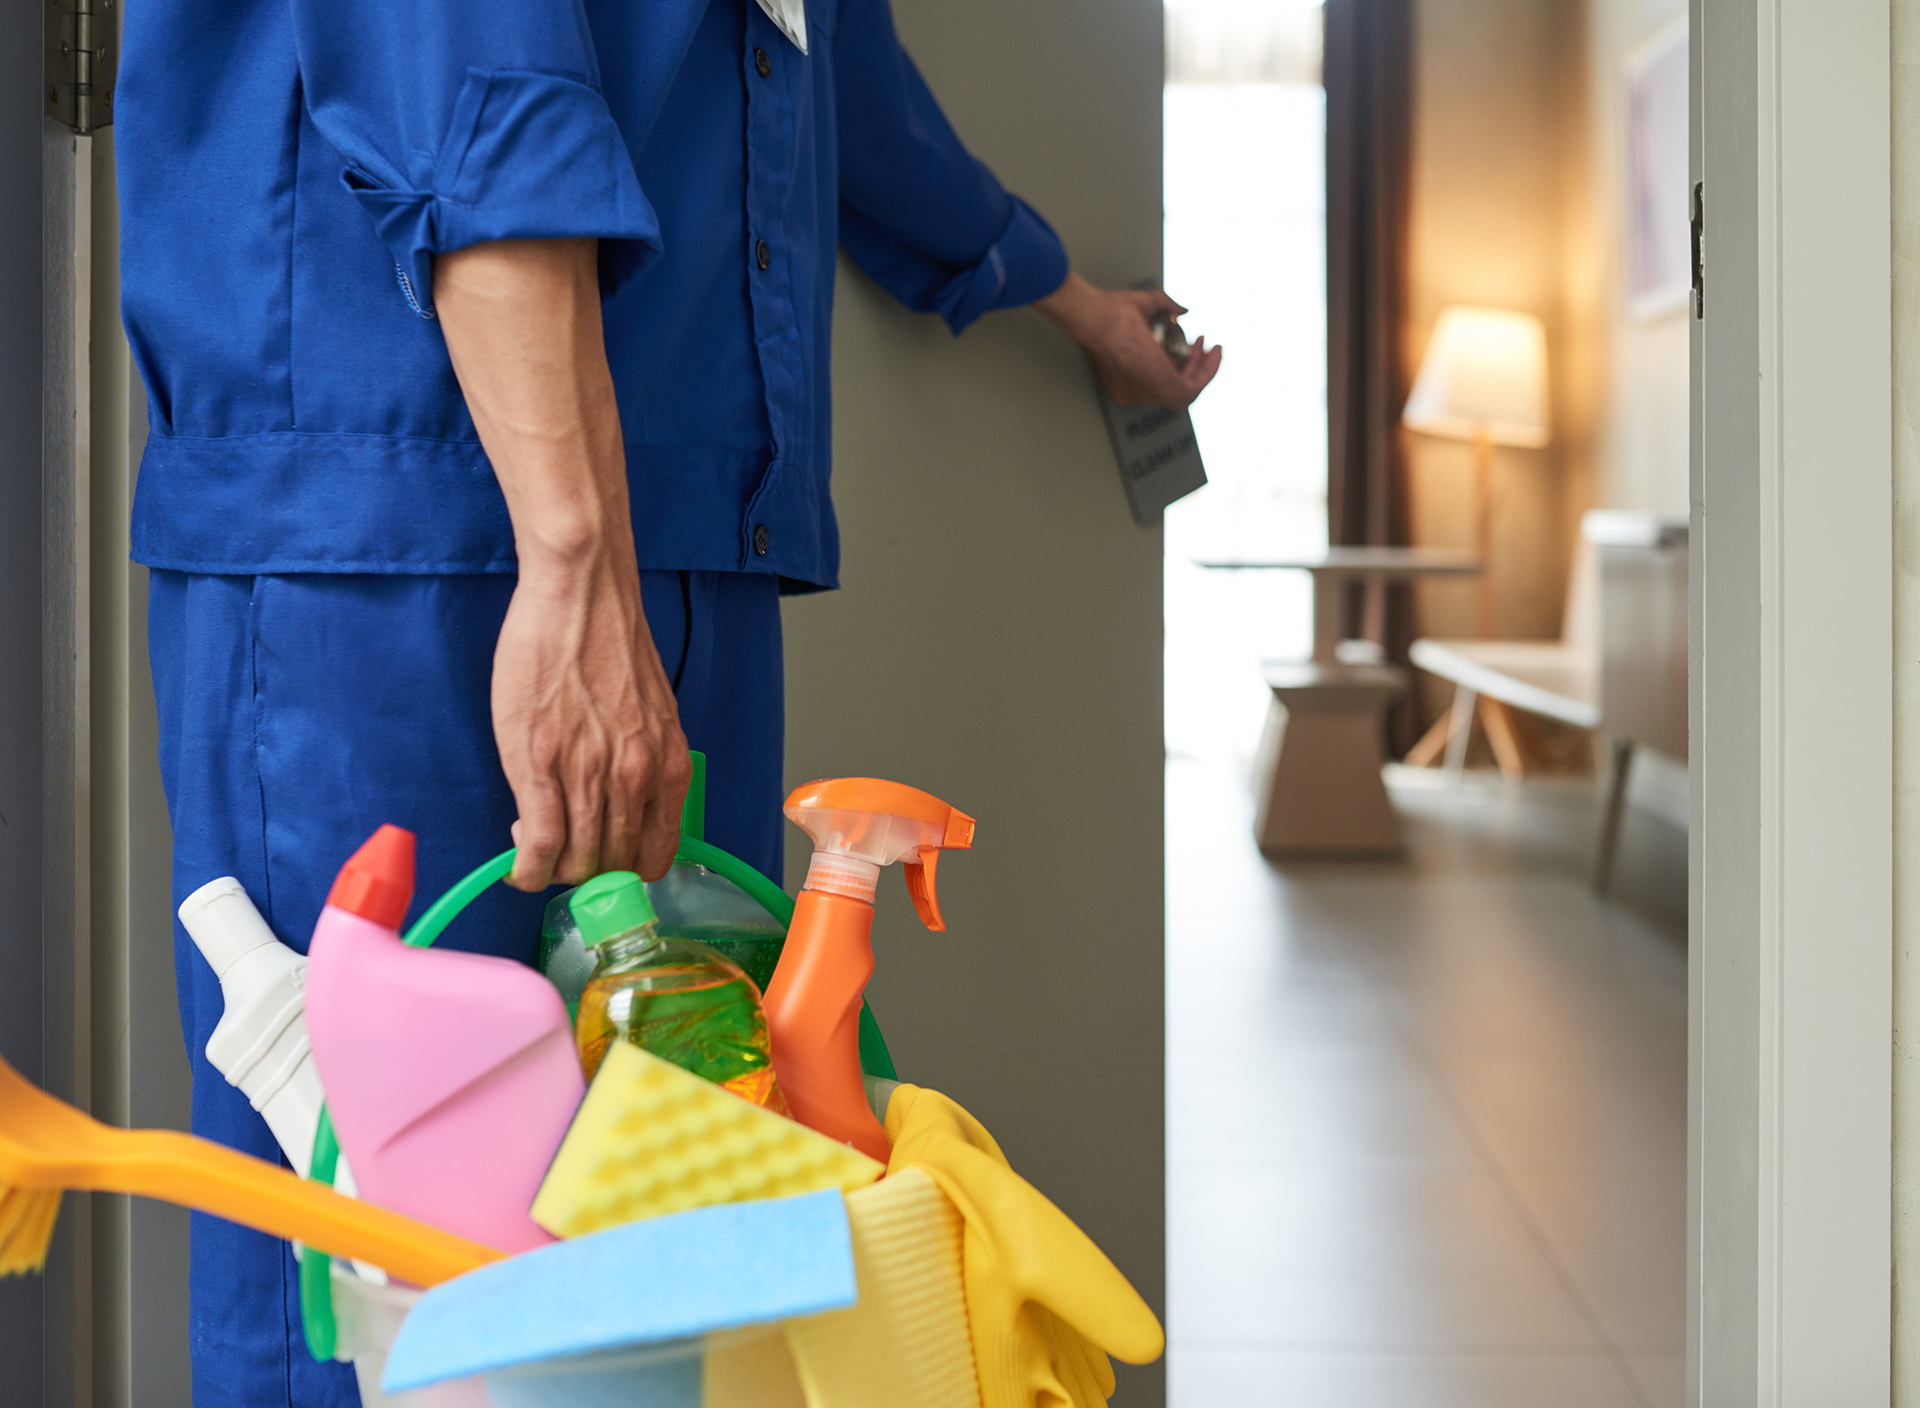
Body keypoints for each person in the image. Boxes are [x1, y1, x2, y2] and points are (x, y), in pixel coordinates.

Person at [117, 0, 1219, 1401]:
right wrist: (571, 557)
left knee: (667, 1247)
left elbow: (832, 71)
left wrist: (1064, 295)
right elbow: (470, 67)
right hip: (406, 540)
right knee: (374, 1273)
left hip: (683, 535)